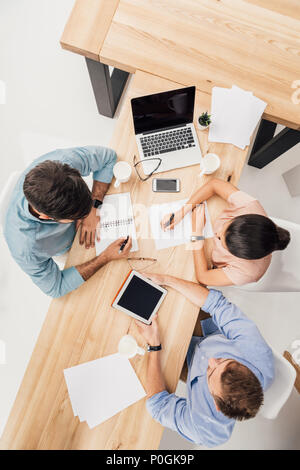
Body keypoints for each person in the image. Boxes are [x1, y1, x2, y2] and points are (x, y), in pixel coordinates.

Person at [135, 272, 274, 447]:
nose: (210, 361)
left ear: (216, 404)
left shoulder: (205, 428)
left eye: (210, 373)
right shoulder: (256, 352)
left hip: (188, 363)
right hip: (209, 331)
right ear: (248, 367)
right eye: (224, 360)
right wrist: (166, 279)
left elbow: (157, 405)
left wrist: (154, 345)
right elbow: (216, 304)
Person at [4, 146, 132, 298]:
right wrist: (105, 257)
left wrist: (93, 206)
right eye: (76, 216)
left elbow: (109, 157)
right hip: (65, 248)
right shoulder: (26, 248)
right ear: (47, 217)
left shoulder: (63, 164)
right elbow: (56, 288)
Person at [161, 178, 290, 286]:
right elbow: (214, 184)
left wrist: (197, 233)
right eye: (225, 227)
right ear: (241, 218)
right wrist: (182, 212)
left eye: (222, 241)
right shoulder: (250, 207)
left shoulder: (248, 273)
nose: (216, 234)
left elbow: (203, 277)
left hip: (206, 253)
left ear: (239, 255)